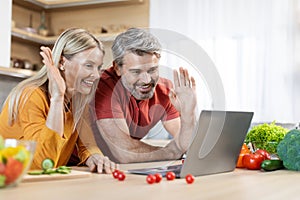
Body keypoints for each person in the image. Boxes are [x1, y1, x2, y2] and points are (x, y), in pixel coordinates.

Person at [0, 28, 117, 173]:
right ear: (62, 62)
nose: (96, 75)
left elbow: (87, 145)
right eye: (88, 65)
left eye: (98, 67)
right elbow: (43, 163)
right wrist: (57, 98)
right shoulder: (31, 96)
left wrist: (95, 156)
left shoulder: (77, 101)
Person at [93, 28, 197, 163]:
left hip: (113, 168)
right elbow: (124, 153)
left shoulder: (164, 90)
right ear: (117, 68)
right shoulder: (104, 86)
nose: (146, 80)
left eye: (152, 70)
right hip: (75, 166)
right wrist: (171, 151)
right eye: (136, 72)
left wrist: (188, 113)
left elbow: (188, 145)